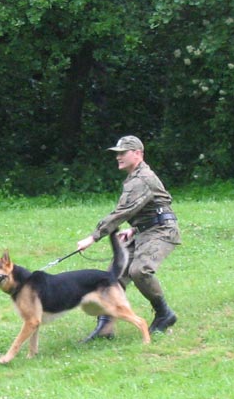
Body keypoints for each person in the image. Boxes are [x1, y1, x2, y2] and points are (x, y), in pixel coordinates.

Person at [76, 135, 181, 336]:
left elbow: (122, 212)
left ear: (138, 154)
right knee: (112, 279)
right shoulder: (134, 177)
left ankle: (164, 314)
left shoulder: (142, 179)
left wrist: (93, 237)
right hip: (145, 230)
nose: (118, 157)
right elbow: (149, 206)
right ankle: (104, 329)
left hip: (161, 231)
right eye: (117, 153)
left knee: (140, 270)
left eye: (123, 153)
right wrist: (135, 228)